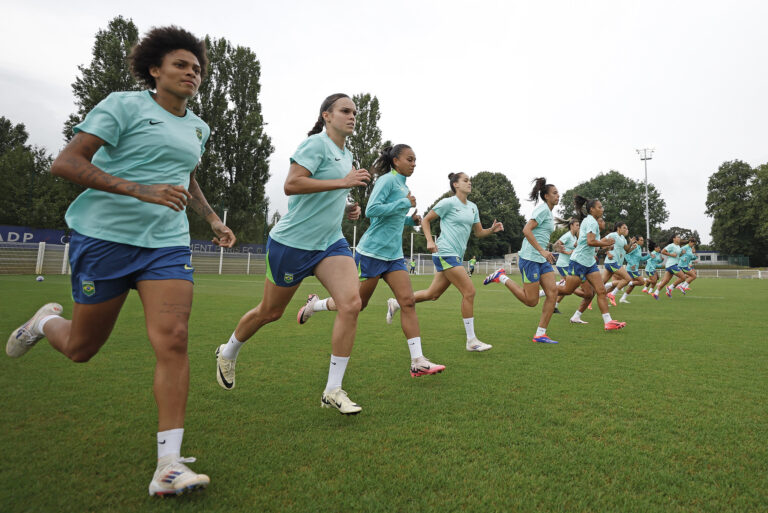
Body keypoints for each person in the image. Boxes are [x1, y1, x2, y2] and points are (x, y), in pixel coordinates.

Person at [6, 27, 234, 497]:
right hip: (104, 238)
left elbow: (185, 177)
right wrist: (139, 189)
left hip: (167, 245)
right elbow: (66, 163)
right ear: (155, 70)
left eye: (197, 68)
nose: (191, 73)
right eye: (180, 65)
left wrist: (211, 218)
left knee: (174, 338)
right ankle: (44, 323)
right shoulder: (123, 105)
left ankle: (168, 465)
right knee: (81, 348)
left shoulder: (197, 126)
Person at [213, 93, 371, 415]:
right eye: (345, 111)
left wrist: (347, 206)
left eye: (355, 112)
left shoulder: (347, 154)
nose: (352, 116)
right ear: (327, 115)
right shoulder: (315, 144)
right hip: (292, 244)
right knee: (270, 312)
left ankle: (333, 389)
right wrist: (343, 182)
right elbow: (292, 185)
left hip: (330, 243)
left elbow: (326, 195)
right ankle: (228, 352)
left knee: (352, 303)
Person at [296, 144, 444, 377]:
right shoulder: (386, 181)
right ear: (396, 161)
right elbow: (372, 211)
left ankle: (417, 361)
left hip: (394, 256)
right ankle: (314, 305)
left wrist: (409, 221)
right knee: (356, 305)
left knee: (407, 301)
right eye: (410, 159)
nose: (414, 164)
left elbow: (391, 218)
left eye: (415, 160)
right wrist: (405, 203)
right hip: (372, 253)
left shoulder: (404, 185)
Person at [388, 172, 503, 351]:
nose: (469, 183)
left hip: (456, 255)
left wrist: (492, 230)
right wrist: (429, 240)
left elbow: (479, 233)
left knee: (432, 294)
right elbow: (426, 220)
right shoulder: (448, 203)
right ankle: (471, 341)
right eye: (465, 180)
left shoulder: (473, 207)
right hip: (444, 252)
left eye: (469, 180)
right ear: (455, 184)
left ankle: (396, 303)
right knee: (469, 292)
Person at [483, 178, 560, 343]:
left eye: (558, 193)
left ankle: (540, 334)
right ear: (546, 196)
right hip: (530, 258)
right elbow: (526, 230)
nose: (558, 195)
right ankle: (501, 277)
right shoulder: (542, 210)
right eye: (554, 193)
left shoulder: (548, 212)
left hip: (541, 258)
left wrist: (552, 248)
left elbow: (539, 235)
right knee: (531, 301)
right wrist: (542, 250)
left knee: (552, 293)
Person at [555, 196, 626, 330]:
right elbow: (590, 241)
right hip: (579, 262)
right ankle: (547, 288)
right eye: (599, 207)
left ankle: (607, 321)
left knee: (598, 291)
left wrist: (604, 246)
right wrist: (606, 242)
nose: (602, 209)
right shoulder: (592, 222)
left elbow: (586, 243)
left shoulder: (590, 221)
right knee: (567, 290)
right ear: (592, 209)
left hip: (588, 263)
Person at [601, 222, 635, 306]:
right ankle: (612, 294)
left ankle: (588, 299)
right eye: (624, 228)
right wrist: (607, 251)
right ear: (618, 228)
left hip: (614, 263)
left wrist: (631, 243)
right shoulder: (613, 235)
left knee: (601, 285)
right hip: (612, 262)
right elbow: (601, 242)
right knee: (628, 279)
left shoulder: (622, 237)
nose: (626, 230)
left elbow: (626, 250)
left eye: (627, 228)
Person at [552, 218, 580, 313]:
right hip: (563, 264)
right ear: (571, 226)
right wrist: (565, 251)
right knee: (570, 287)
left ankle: (554, 306)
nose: (578, 227)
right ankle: (548, 290)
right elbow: (556, 245)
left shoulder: (574, 237)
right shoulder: (567, 235)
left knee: (566, 287)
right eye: (577, 225)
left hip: (568, 264)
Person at [618, 236, 650, 303]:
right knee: (642, 282)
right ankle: (627, 283)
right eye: (641, 240)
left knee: (632, 286)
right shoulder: (635, 246)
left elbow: (641, 259)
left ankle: (622, 298)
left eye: (643, 240)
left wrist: (649, 256)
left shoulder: (639, 248)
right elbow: (626, 255)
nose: (642, 241)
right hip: (631, 269)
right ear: (637, 241)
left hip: (634, 269)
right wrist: (632, 264)